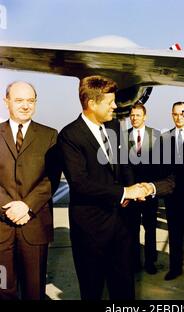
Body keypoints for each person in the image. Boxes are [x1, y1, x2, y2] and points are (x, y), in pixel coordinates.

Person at [57, 75, 153, 300]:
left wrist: (133, 188)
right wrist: (123, 192)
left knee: (125, 289)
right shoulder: (70, 136)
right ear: (92, 104)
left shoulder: (115, 127)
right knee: (92, 290)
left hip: (122, 224)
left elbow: (125, 164)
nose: (115, 106)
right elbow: (79, 183)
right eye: (109, 102)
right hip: (91, 229)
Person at [0, 81, 59, 300]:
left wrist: (26, 205)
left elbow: (51, 178)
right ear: (6, 102)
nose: (25, 106)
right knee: (3, 288)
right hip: (1, 227)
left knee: (34, 291)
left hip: (34, 225)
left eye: (30, 100)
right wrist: (8, 207)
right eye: (19, 100)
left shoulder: (49, 135)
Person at [125, 103, 161, 274]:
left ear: (144, 117)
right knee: (132, 229)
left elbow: (159, 166)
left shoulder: (156, 136)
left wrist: (148, 189)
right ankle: (133, 262)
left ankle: (150, 262)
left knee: (150, 228)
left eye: (138, 115)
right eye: (132, 115)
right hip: (132, 192)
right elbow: (122, 166)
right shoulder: (123, 137)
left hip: (148, 192)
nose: (134, 118)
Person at [162, 101, 184, 280]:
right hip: (173, 196)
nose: (178, 117)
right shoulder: (165, 138)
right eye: (175, 114)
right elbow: (162, 168)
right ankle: (175, 267)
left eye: (182, 113)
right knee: (174, 234)